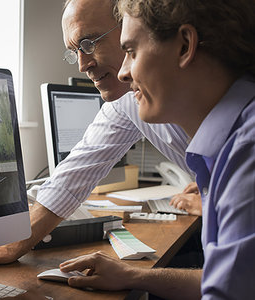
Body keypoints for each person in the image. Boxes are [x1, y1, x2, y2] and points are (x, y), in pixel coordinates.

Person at [0, 0, 194, 264]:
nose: (82, 65)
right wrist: (17, 240)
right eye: (75, 51)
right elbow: (77, 171)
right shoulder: (123, 103)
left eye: (89, 42)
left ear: (133, 27)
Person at [60, 0, 255, 299]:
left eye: (131, 52)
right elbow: (231, 284)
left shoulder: (247, 152)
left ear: (184, 46)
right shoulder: (228, 148)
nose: (124, 73)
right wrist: (134, 276)